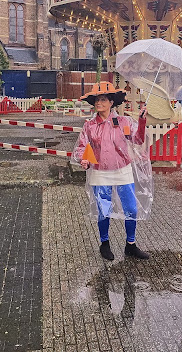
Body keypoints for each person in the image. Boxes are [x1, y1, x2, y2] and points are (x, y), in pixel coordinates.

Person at [72, 81, 152, 261]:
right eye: (96, 100)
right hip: (100, 172)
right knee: (103, 210)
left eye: (102, 100)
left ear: (111, 102)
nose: (98, 103)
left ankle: (131, 245)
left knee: (131, 209)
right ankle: (104, 243)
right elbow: (81, 147)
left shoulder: (124, 122)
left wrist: (141, 121)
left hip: (123, 171)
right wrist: (83, 158)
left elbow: (138, 140)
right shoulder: (90, 126)